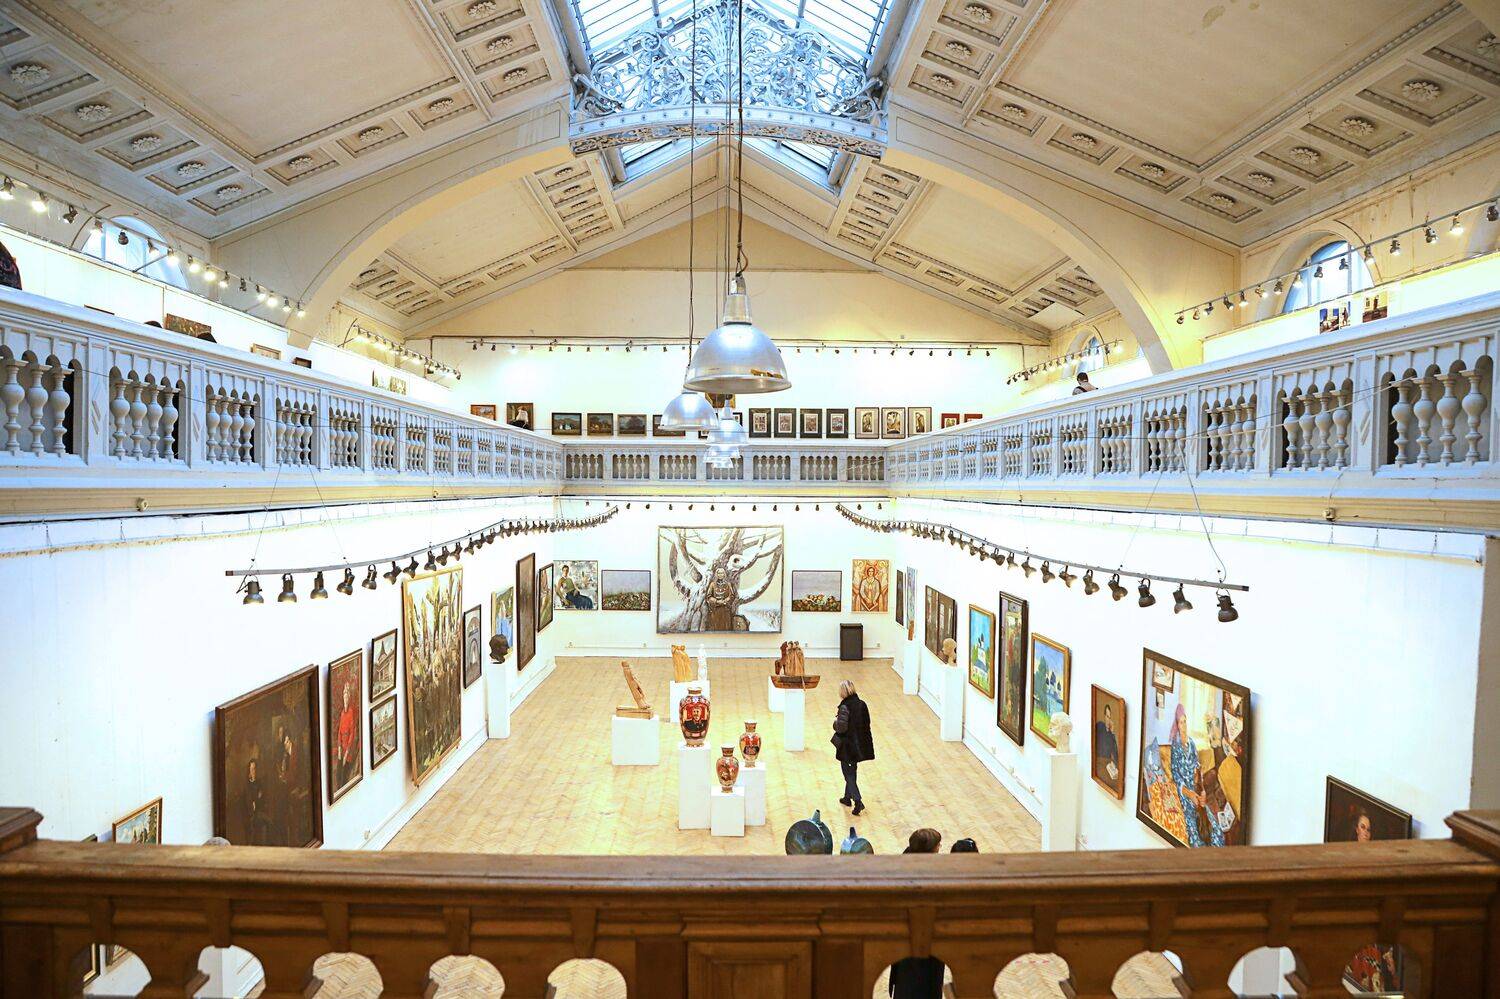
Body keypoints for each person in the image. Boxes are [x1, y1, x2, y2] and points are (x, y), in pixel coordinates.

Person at [832, 679, 874, 816]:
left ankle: (858, 800)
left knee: (848, 773)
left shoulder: (845, 707)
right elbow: (866, 723)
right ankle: (847, 797)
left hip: (848, 746)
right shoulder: (862, 704)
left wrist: (835, 723)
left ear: (843, 692)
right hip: (860, 745)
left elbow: (841, 727)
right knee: (852, 771)